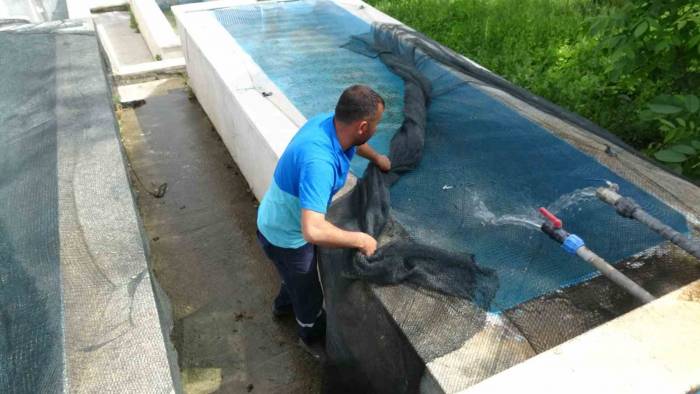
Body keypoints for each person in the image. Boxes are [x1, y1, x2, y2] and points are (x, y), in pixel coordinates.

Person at [256, 85, 391, 359]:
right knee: (308, 295)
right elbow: (313, 229)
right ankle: (309, 335)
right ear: (363, 126)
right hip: (287, 237)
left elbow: (357, 141)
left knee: (292, 279)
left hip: (272, 219)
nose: (376, 129)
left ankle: (282, 306)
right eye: (376, 124)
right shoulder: (320, 162)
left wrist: (376, 157)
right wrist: (361, 239)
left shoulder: (330, 123)